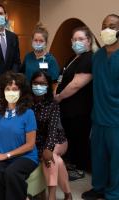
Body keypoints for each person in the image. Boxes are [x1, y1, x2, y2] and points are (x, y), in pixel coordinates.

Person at [82, 14, 119, 200]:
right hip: (98, 117)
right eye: (104, 26)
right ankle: (99, 188)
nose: (107, 30)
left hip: (116, 120)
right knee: (99, 157)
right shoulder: (97, 57)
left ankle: (114, 193)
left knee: (116, 161)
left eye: (112, 26)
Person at [0, 71, 38, 200]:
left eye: (15, 89)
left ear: (21, 92)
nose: (11, 92)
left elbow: (30, 145)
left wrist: (6, 155)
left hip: (26, 157)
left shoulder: (28, 113)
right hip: (3, 156)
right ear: (3, 91)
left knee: (12, 172)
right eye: (8, 89)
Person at [54, 26, 95, 176]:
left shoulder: (89, 58)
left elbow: (76, 84)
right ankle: (72, 165)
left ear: (88, 41)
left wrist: (59, 97)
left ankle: (81, 168)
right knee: (70, 137)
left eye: (81, 39)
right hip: (66, 108)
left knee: (79, 138)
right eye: (75, 39)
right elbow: (61, 78)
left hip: (80, 108)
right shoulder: (72, 58)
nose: (77, 42)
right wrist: (55, 92)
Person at [31, 71, 72, 200]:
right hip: (37, 142)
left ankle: (52, 196)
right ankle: (68, 194)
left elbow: (53, 129)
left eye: (42, 84)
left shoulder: (53, 104)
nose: (38, 86)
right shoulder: (27, 103)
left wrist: (48, 148)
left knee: (50, 156)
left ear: (48, 85)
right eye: (35, 83)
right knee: (57, 161)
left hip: (57, 140)